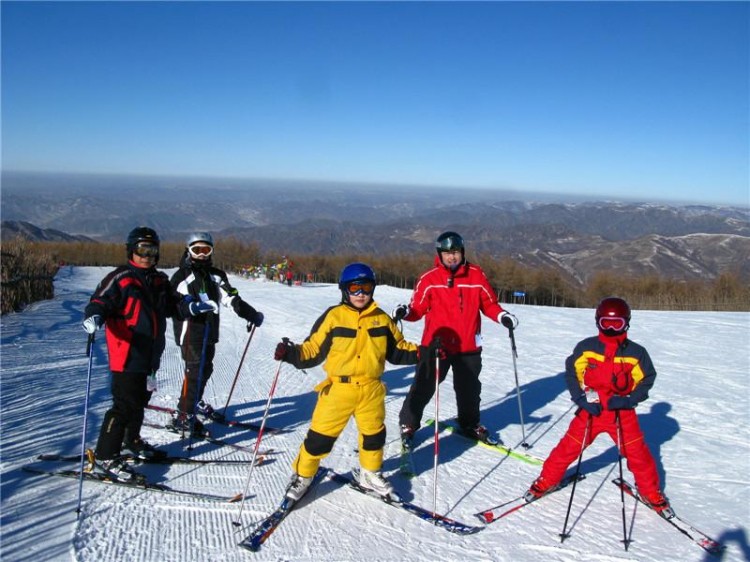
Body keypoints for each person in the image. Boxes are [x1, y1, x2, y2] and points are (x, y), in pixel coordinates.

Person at [274, 262, 421, 501]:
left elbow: (399, 350)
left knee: (374, 436)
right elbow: (312, 349)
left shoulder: (382, 320)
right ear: (345, 290)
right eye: (355, 288)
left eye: (366, 287)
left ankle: (369, 473)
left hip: (372, 389)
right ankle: (303, 475)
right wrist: (290, 353)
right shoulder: (334, 317)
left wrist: (425, 352)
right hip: (338, 390)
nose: (361, 293)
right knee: (319, 438)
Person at [524, 297, 674, 518]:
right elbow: (572, 373)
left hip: (621, 413)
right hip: (591, 409)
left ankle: (651, 493)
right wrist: (580, 399)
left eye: (618, 324)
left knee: (638, 455)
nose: (612, 329)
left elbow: (646, 379)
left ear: (627, 323)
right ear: (598, 322)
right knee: (568, 448)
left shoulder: (636, 353)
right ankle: (547, 480)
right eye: (606, 323)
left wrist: (629, 400)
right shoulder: (587, 348)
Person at [82, 227, 208, 482]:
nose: (147, 255)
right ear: (131, 250)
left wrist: (191, 306)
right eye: (142, 249)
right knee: (124, 404)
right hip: (126, 353)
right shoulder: (121, 278)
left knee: (141, 399)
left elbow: (174, 304)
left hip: (150, 354)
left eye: (152, 250)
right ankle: (106, 456)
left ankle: (132, 440)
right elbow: (99, 302)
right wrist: (94, 317)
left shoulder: (159, 280)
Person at [393, 231, 518, 446]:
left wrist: (502, 316)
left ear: (463, 252)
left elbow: (488, 304)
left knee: (469, 388)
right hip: (436, 345)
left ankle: (469, 423)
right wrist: (405, 312)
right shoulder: (430, 279)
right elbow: (417, 309)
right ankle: (409, 422)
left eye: (456, 252)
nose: (452, 257)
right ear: (439, 255)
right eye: (447, 253)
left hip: (468, 345)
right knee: (424, 384)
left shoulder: (476, 276)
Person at [167, 232, 264, 437]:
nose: (202, 254)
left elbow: (231, 297)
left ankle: (194, 401)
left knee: (206, 369)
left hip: (210, 331)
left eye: (206, 250)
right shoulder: (182, 276)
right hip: (190, 331)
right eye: (197, 250)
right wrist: (192, 307)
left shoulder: (217, 275)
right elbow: (172, 304)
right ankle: (183, 415)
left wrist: (250, 314)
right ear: (189, 251)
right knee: (195, 372)